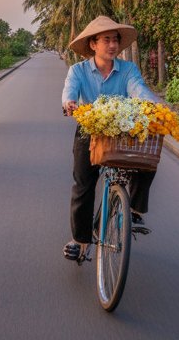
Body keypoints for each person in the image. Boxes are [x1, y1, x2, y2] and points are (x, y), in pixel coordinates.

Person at [60, 15, 159, 263]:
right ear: (93, 44)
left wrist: (154, 106)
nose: (113, 45)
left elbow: (139, 90)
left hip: (123, 131)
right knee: (83, 186)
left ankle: (134, 209)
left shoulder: (128, 69)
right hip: (90, 131)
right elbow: (69, 92)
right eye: (106, 40)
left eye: (115, 40)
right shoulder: (78, 70)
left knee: (148, 160)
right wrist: (69, 103)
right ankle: (80, 240)